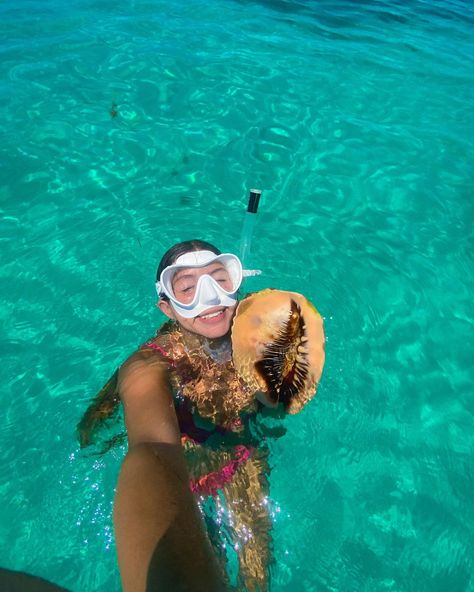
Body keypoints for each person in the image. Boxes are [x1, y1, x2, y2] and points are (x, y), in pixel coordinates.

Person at [78, 239, 324, 592]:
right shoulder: (150, 365)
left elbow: (285, 401)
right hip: (185, 474)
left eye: (219, 280)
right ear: (167, 307)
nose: (209, 298)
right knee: (212, 570)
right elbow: (149, 447)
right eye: (188, 288)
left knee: (258, 573)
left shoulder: (258, 335)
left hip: (243, 456)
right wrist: (97, 423)